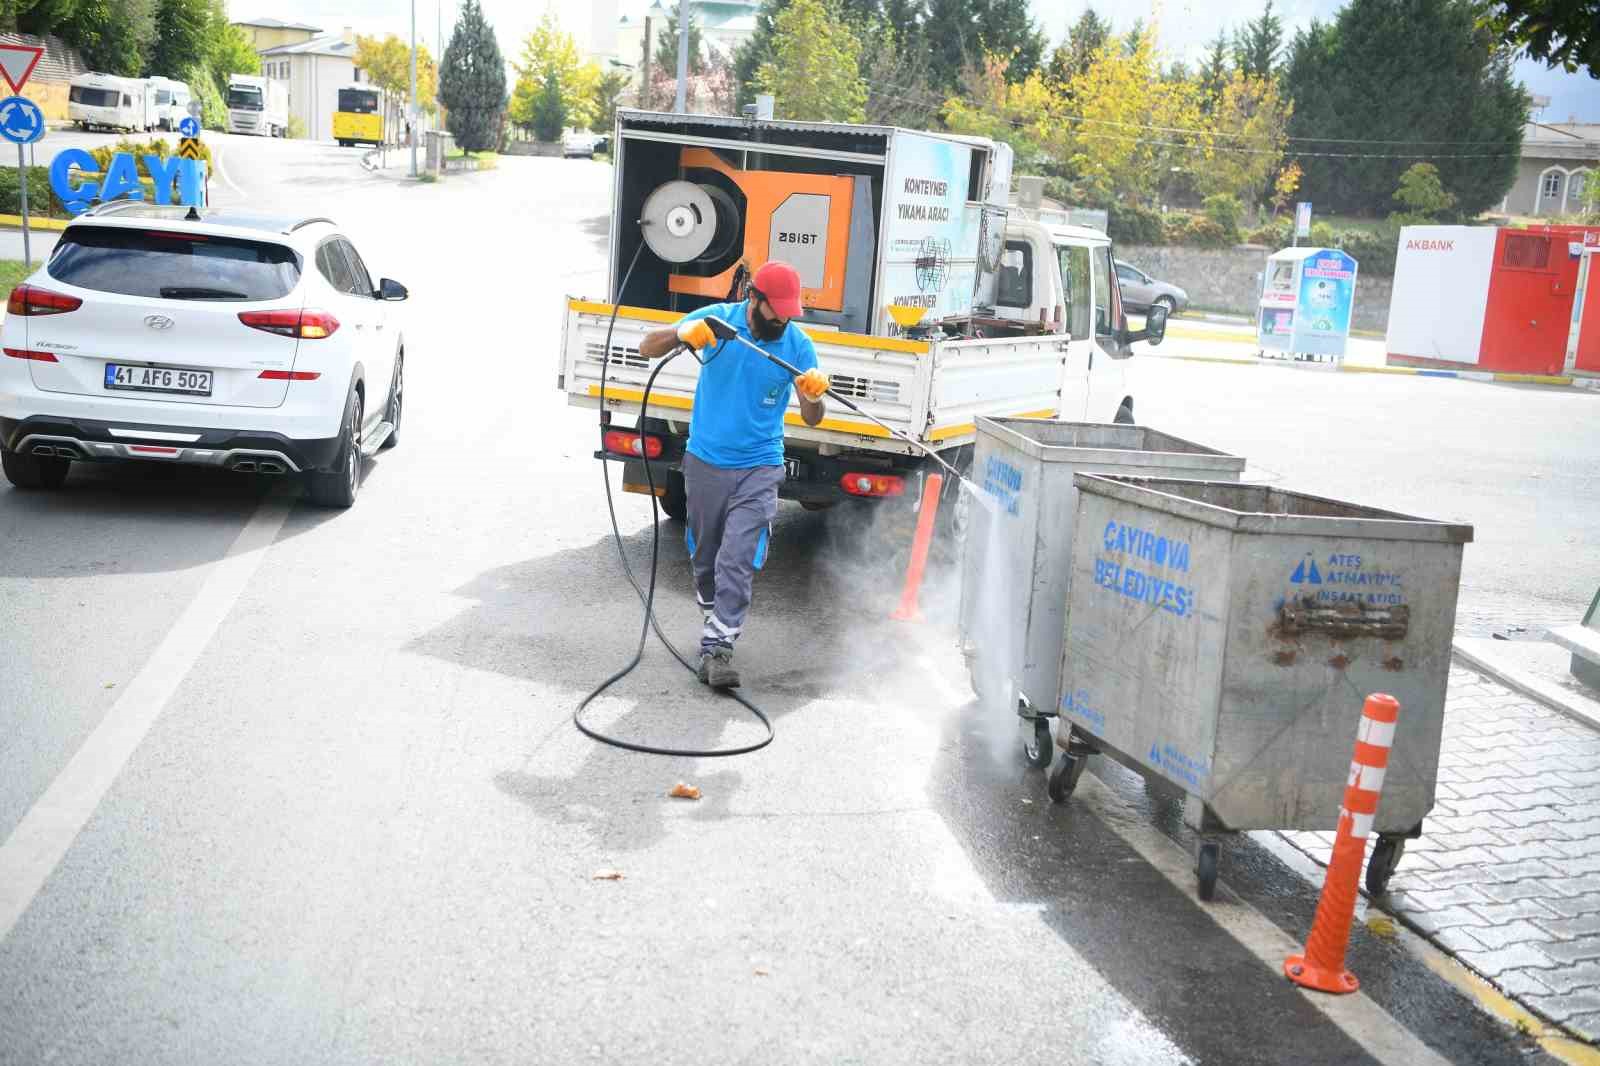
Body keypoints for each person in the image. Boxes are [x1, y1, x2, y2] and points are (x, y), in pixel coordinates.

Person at [638, 261, 830, 690]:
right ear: (753, 298)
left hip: (760, 464)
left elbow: (813, 418)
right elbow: (646, 347)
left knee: (737, 556)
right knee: (706, 556)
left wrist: (814, 396)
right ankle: (714, 617)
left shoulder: (797, 346)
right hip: (706, 460)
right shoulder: (717, 323)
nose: (781, 319)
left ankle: (719, 648)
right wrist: (681, 334)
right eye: (774, 309)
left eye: (788, 312)